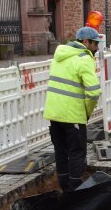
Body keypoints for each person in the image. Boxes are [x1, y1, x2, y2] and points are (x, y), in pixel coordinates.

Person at [44, 26, 103, 192]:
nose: (97, 48)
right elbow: (93, 93)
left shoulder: (58, 56)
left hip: (54, 114)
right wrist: (87, 112)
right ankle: (76, 191)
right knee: (77, 152)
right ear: (85, 42)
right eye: (95, 44)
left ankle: (65, 189)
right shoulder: (85, 58)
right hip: (72, 116)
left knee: (61, 151)